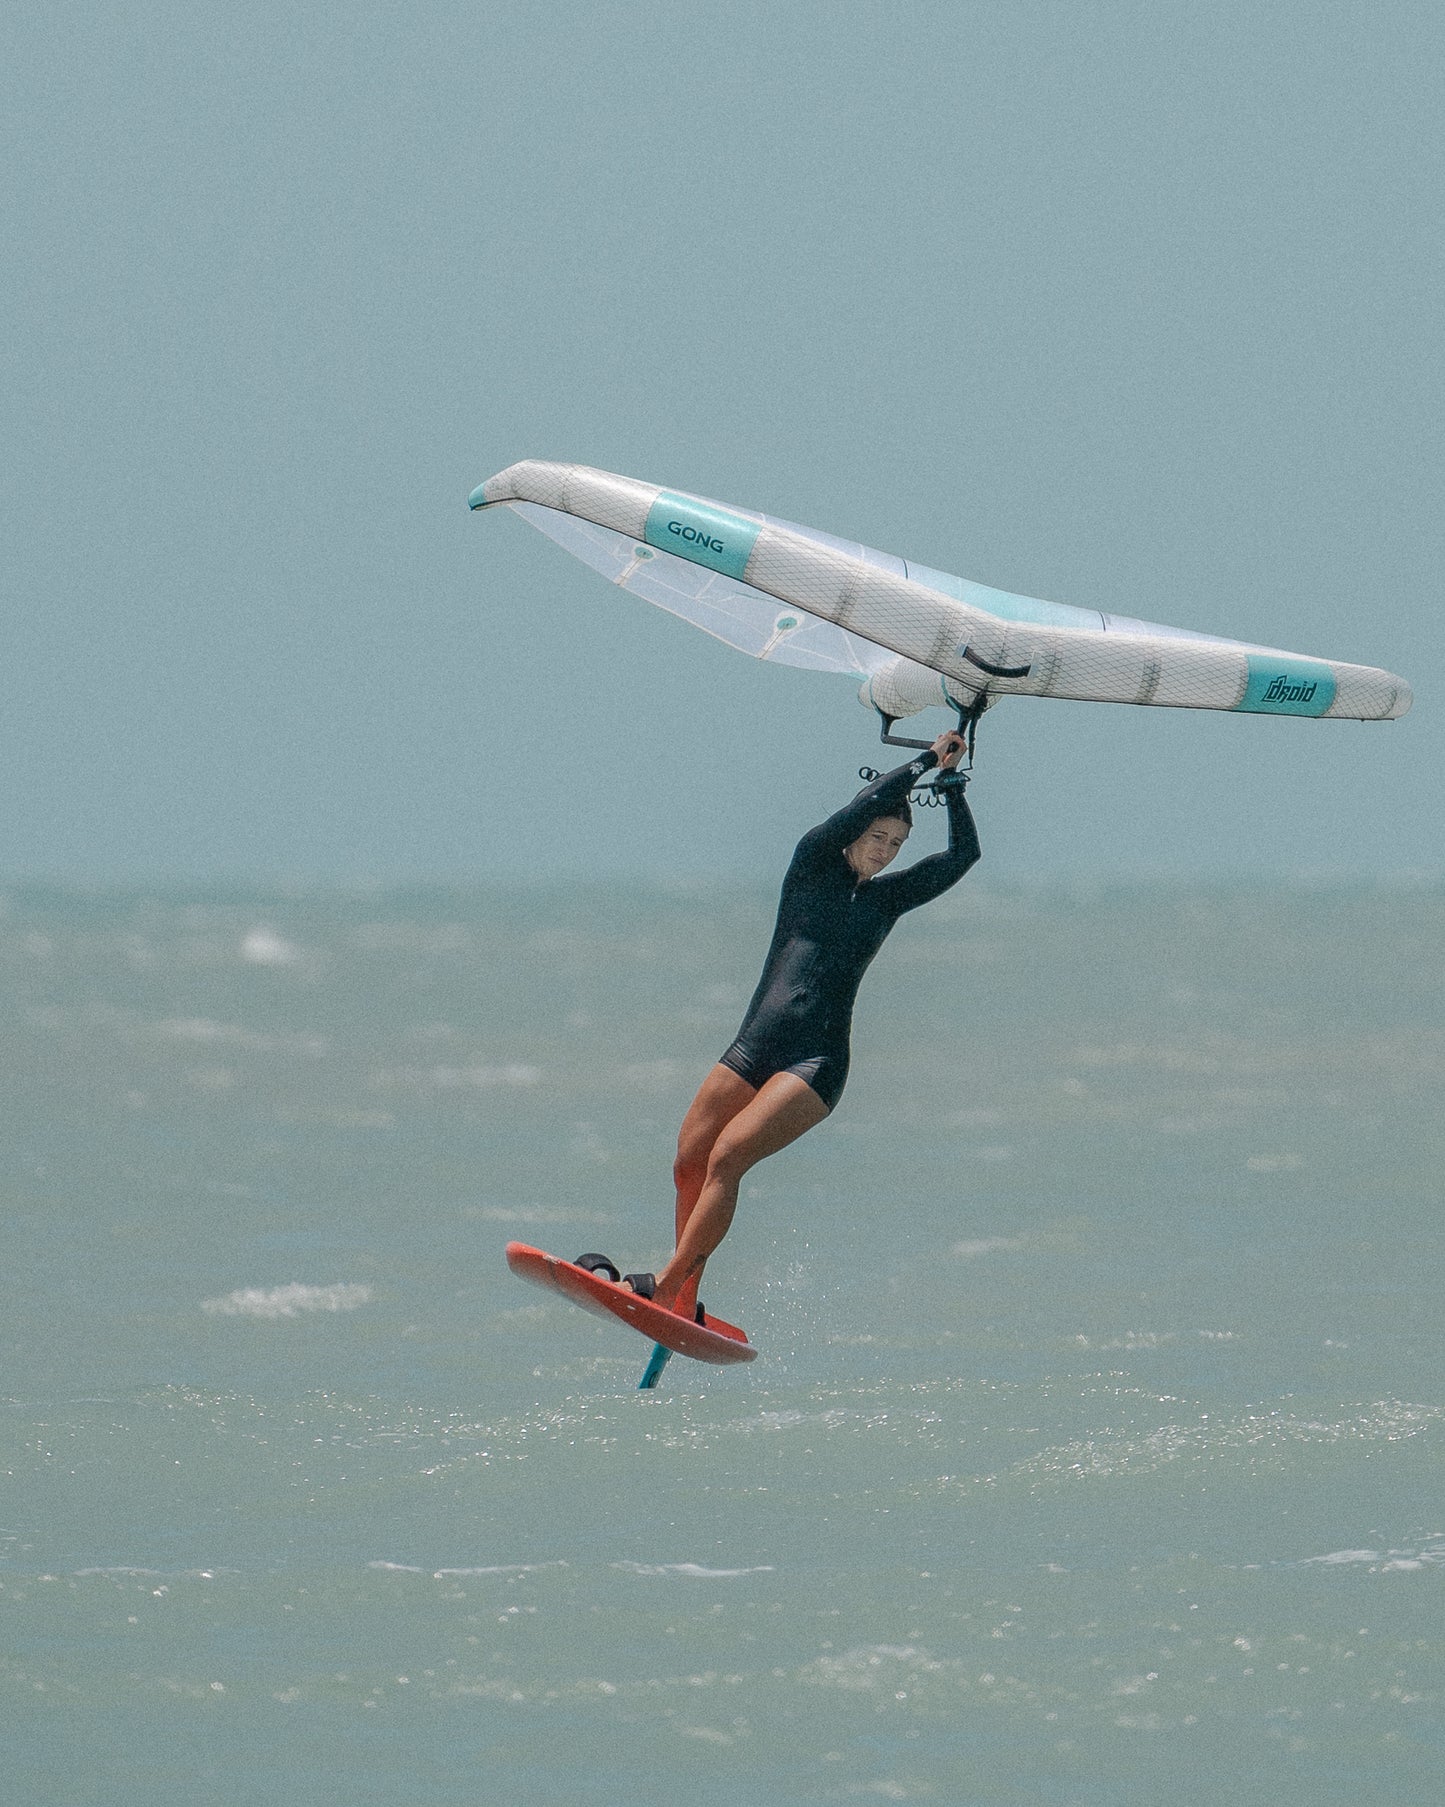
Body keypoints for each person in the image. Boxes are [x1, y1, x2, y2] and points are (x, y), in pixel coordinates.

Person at [586, 728, 979, 1320]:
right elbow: (864, 803)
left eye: (897, 843)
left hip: (816, 1063)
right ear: (854, 832)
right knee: (689, 1159)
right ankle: (683, 1290)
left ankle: (666, 1285)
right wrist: (926, 759)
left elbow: (961, 858)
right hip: (754, 1045)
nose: (886, 851)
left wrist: (951, 788)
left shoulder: (885, 900)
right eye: (878, 837)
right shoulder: (810, 863)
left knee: (727, 1160)